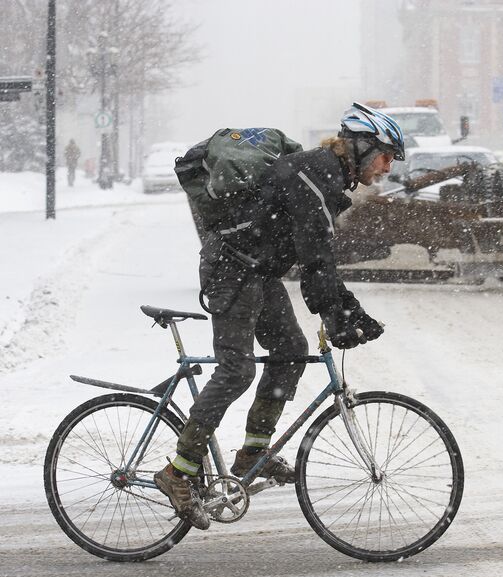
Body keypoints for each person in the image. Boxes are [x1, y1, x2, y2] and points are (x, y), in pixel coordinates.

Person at [154, 103, 405, 530]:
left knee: (291, 348)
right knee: (236, 371)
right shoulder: (312, 174)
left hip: (256, 271)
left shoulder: (324, 176)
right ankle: (178, 471)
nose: (387, 166)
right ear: (362, 147)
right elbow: (316, 257)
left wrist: (348, 310)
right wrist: (339, 311)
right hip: (231, 269)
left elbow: (318, 255)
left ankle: (253, 451)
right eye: (385, 154)